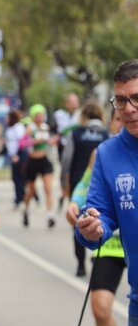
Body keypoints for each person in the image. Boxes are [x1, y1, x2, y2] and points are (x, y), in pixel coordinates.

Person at [76, 59, 138, 326]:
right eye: (121, 101)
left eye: (136, 98)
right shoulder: (109, 154)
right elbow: (96, 218)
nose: (128, 108)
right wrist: (90, 227)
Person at [66, 108, 124, 326]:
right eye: (118, 118)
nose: (125, 120)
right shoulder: (103, 153)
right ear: (111, 123)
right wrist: (74, 203)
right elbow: (85, 184)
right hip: (110, 243)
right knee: (100, 310)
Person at [60, 101, 108, 277]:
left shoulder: (76, 133)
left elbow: (66, 159)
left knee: (78, 221)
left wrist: (63, 182)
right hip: (101, 185)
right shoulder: (106, 134)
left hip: (78, 184)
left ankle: (80, 263)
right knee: (100, 220)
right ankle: (98, 256)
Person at [21, 103, 58, 228]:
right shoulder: (30, 128)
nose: (40, 117)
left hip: (45, 160)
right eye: (37, 115)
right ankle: (25, 209)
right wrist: (34, 141)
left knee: (48, 188)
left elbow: (49, 141)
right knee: (31, 191)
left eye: (41, 115)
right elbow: (22, 143)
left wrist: (51, 142)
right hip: (33, 160)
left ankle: (50, 215)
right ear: (33, 116)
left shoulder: (45, 127)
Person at [5, 109, 27, 208]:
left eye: (8, 117)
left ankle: (21, 197)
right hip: (13, 156)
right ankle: (21, 196)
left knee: (20, 177)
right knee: (16, 178)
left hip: (19, 155)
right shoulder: (10, 128)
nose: (6, 119)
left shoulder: (18, 127)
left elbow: (21, 142)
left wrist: (18, 155)